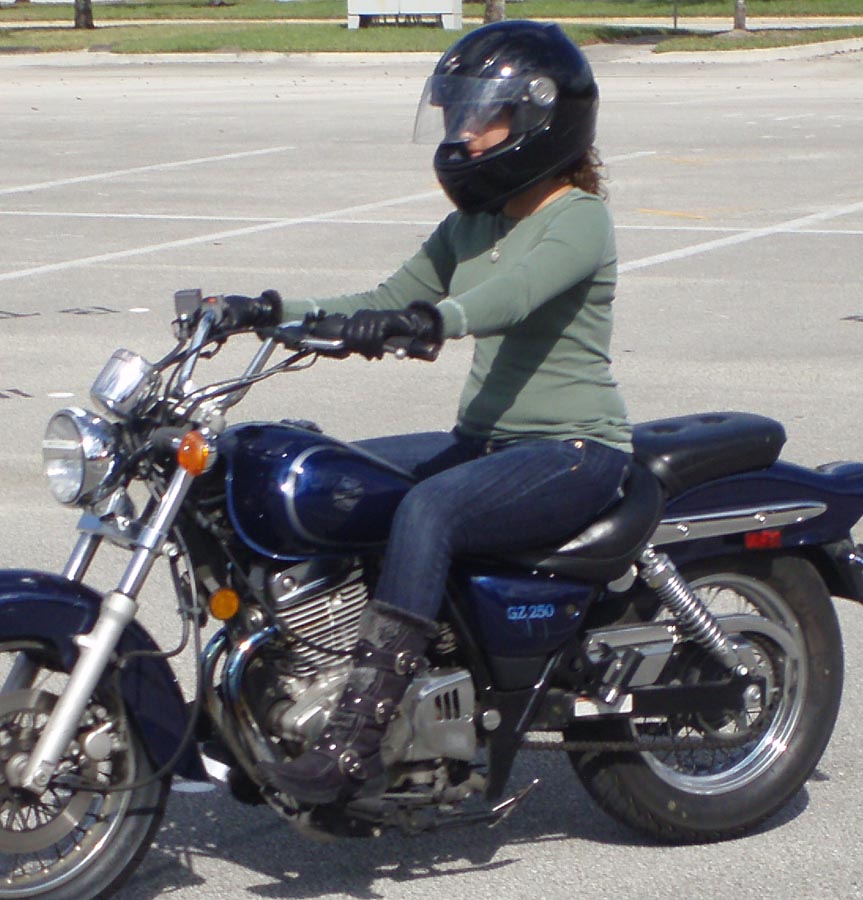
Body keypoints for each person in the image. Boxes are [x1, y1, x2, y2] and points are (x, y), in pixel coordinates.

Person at [222, 20, 633, 806]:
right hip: (487, 444)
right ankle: (281, 689)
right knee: (341, 481)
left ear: (540, 118)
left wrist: (433, 322)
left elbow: (510, 296)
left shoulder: (578, 217)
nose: (462, 133)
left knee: (428, 509)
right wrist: (269, 311)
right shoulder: (473, 225)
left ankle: (357, 739)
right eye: (456, 114)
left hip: (574, 451)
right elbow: (382, 297)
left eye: (482, 115)